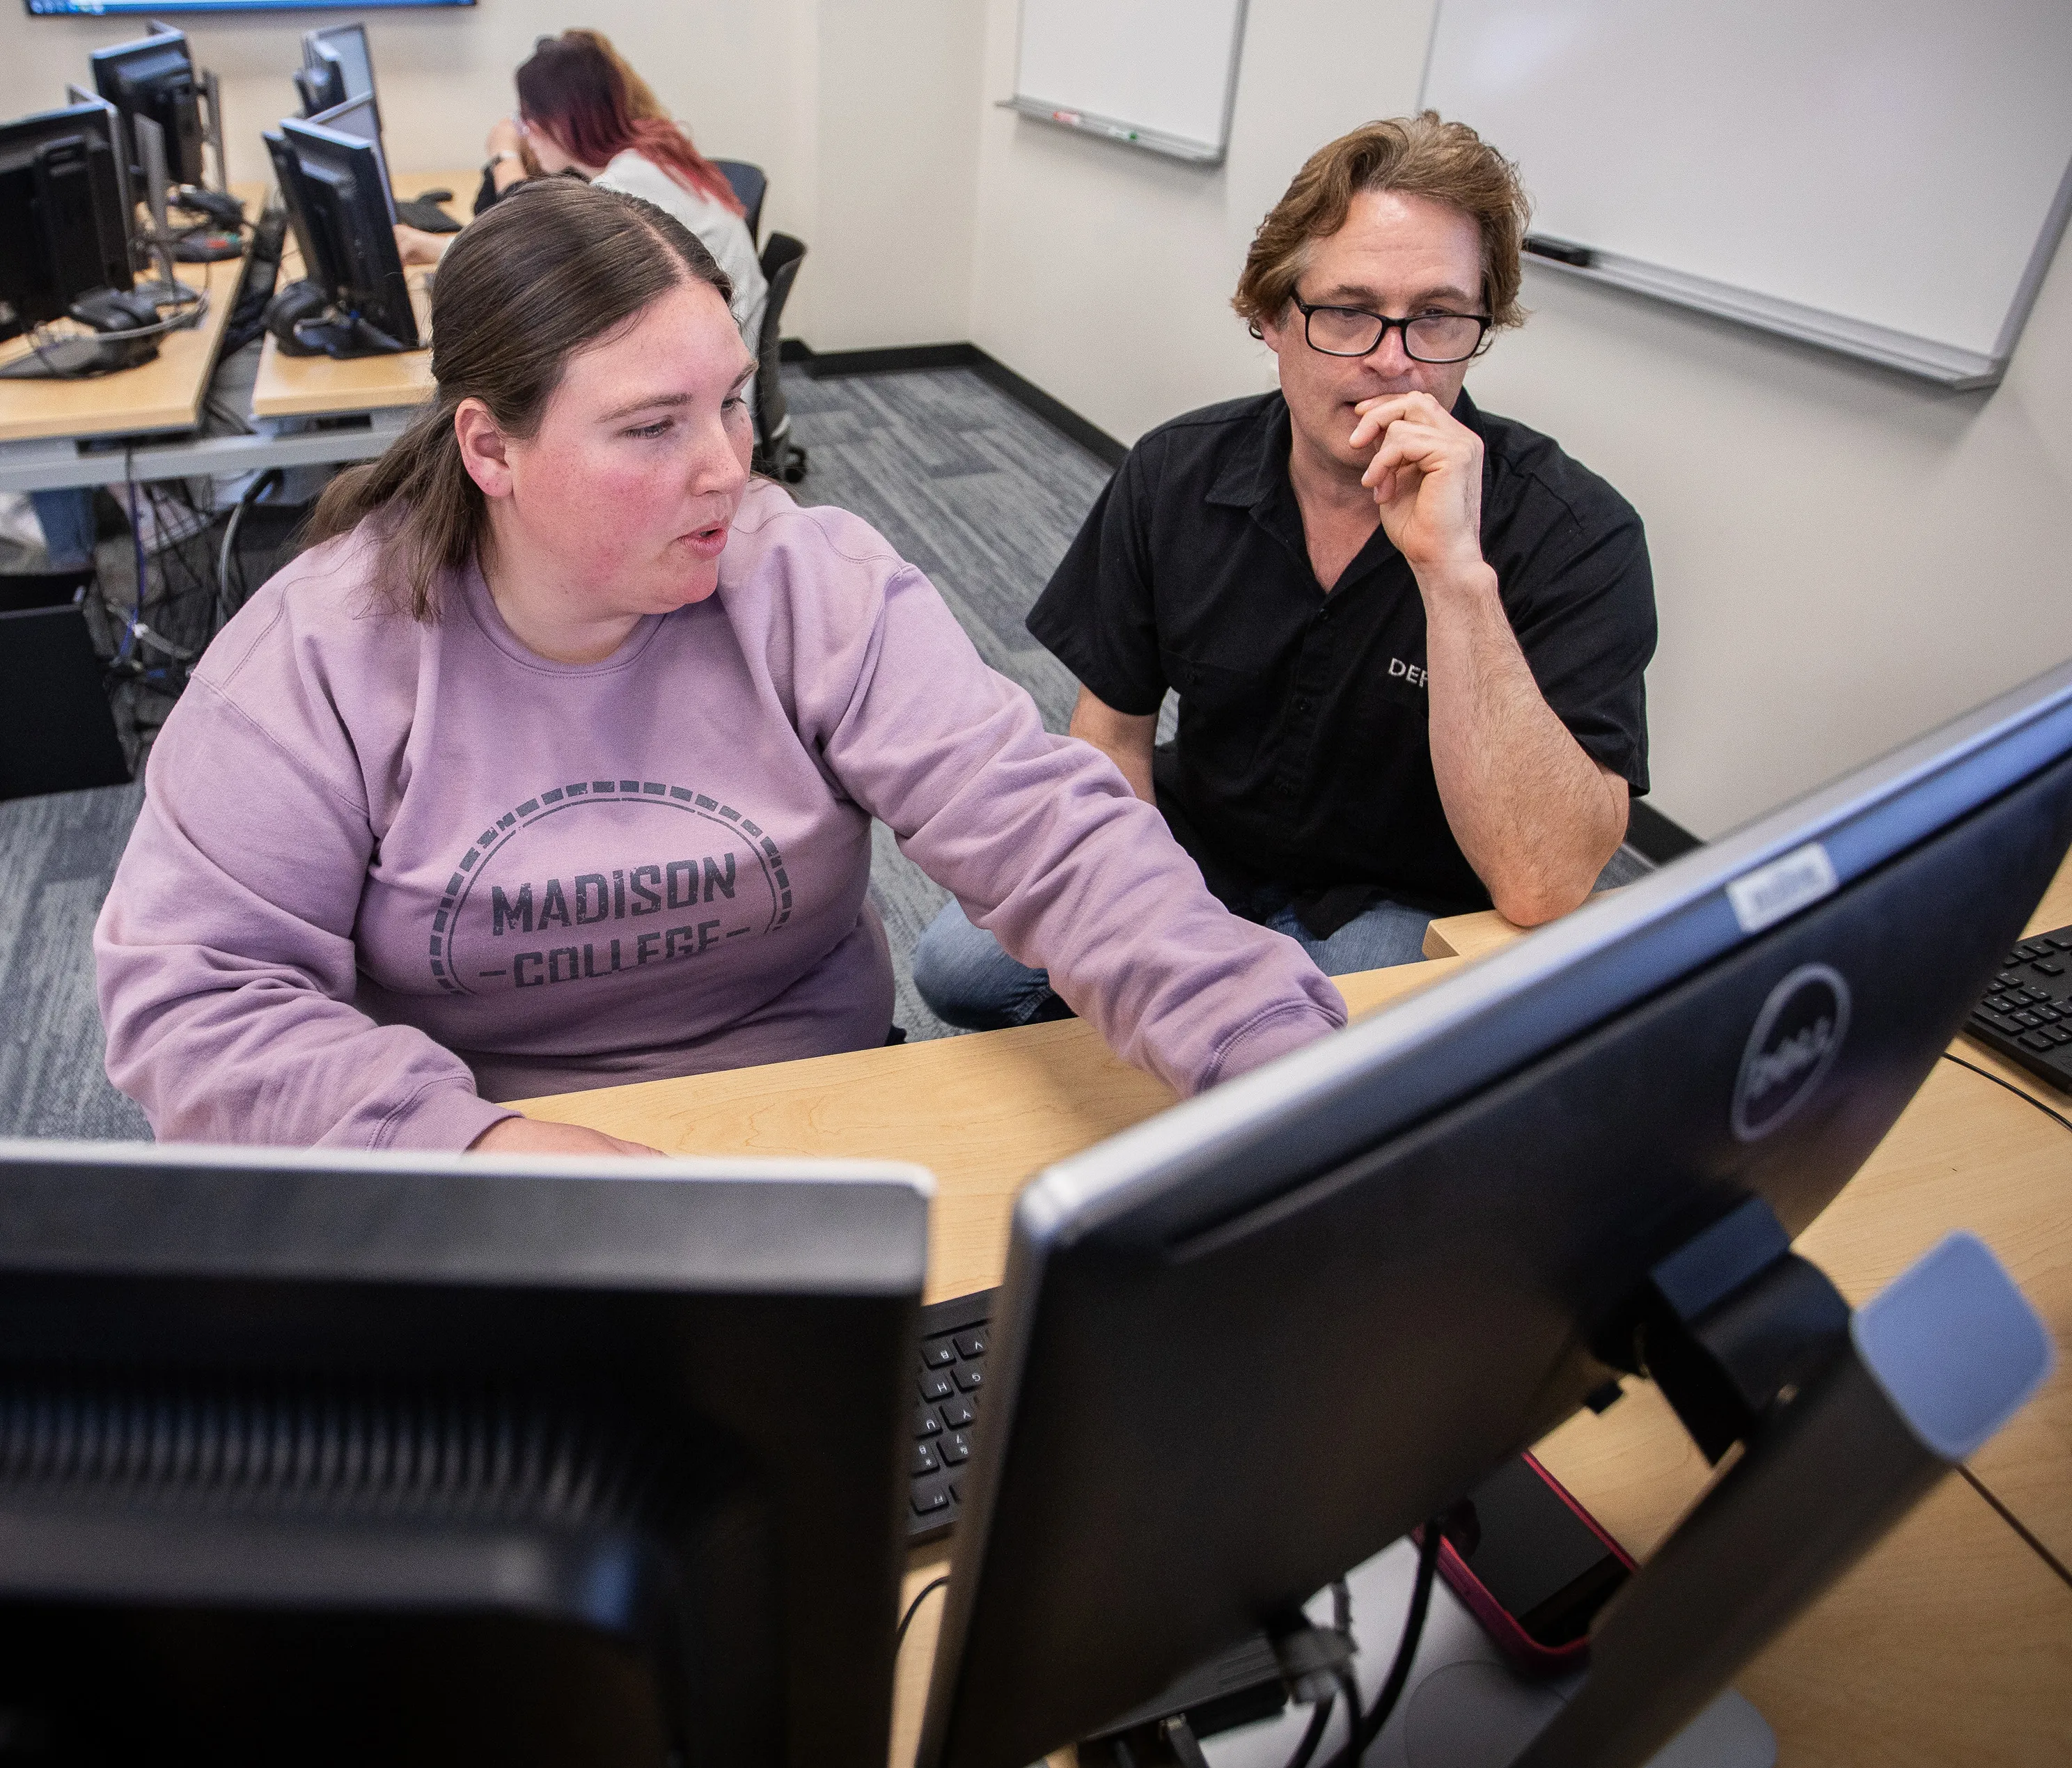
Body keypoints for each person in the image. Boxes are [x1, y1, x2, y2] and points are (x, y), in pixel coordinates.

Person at [95, 180, 1344, 1162]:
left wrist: (1260, 1044)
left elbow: (1050, 834)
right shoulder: (325, 648)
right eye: (652, 427)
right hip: (490, 1168)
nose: (726, 467)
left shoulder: (806, 581)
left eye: (734, 403)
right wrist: (477, 1147)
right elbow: (196, 997)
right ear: (492, 447)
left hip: (814, 1123)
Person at [913, 114, 1656, 1032]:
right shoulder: (1176, 473)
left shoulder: (1576, 532)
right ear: (1271, 315)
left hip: (1412, 894)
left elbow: (1543, 879)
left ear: (1479, 326)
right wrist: (1151, 915)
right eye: (1348, 310)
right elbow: (1114, 736)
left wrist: (1455, 574)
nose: (1394, 361)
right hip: (1205, 839)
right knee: (961, 967)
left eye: (1437, 317)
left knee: (1319, 1037)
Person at [400, 31, 768, 359]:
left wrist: (505, 156)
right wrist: (430, 246)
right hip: (706, 349)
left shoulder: (625, 191)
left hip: (708, 381)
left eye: (529, 118)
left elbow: (526, 255)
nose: (525, 132)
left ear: (561, 122)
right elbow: (544, 242)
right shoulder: (653, 149)